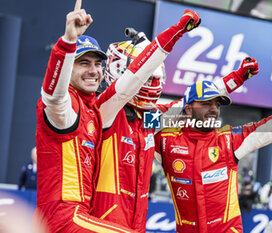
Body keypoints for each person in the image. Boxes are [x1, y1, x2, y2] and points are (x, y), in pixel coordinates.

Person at [35, 0, 196, 231]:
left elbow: (182, 107)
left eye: (97, 64)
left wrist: (232, 82)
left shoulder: (98, 111)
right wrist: (68, 42)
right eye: (83, 63)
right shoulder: (71, 105)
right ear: (69, 66)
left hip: (86, 218)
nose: (93, 70)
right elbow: (53, 96)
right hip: (64, 219)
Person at [91, 19, 259, 233]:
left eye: (155, 77)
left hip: (136, 223)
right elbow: (129, 83)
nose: (152, 82)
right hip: (104, 222)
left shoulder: (149, 119)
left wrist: (237, 77)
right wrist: (176, 32)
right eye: (148, 76)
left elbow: (186, 103)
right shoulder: (106, 111)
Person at [154, 77, 272, 232]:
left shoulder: (229, 140)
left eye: (217, 104)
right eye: (207, 103)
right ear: (188, 109)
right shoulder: (165, 140)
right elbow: (135, 124)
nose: (214, 109)